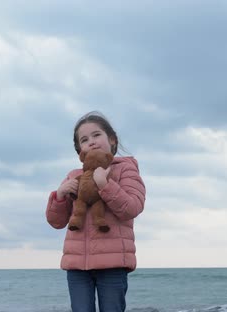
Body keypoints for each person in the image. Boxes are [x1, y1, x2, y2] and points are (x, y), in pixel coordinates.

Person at [46, 111, 146, 312]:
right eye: (84, 140)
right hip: (77, 267)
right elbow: (56, 222)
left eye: (96, 135)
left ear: (112, 139)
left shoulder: (126, 170)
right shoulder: (74, 176)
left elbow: (132, 207)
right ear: (80, 150)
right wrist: (60, 195)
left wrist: (105, 185)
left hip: (113, 265)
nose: (91, 141)